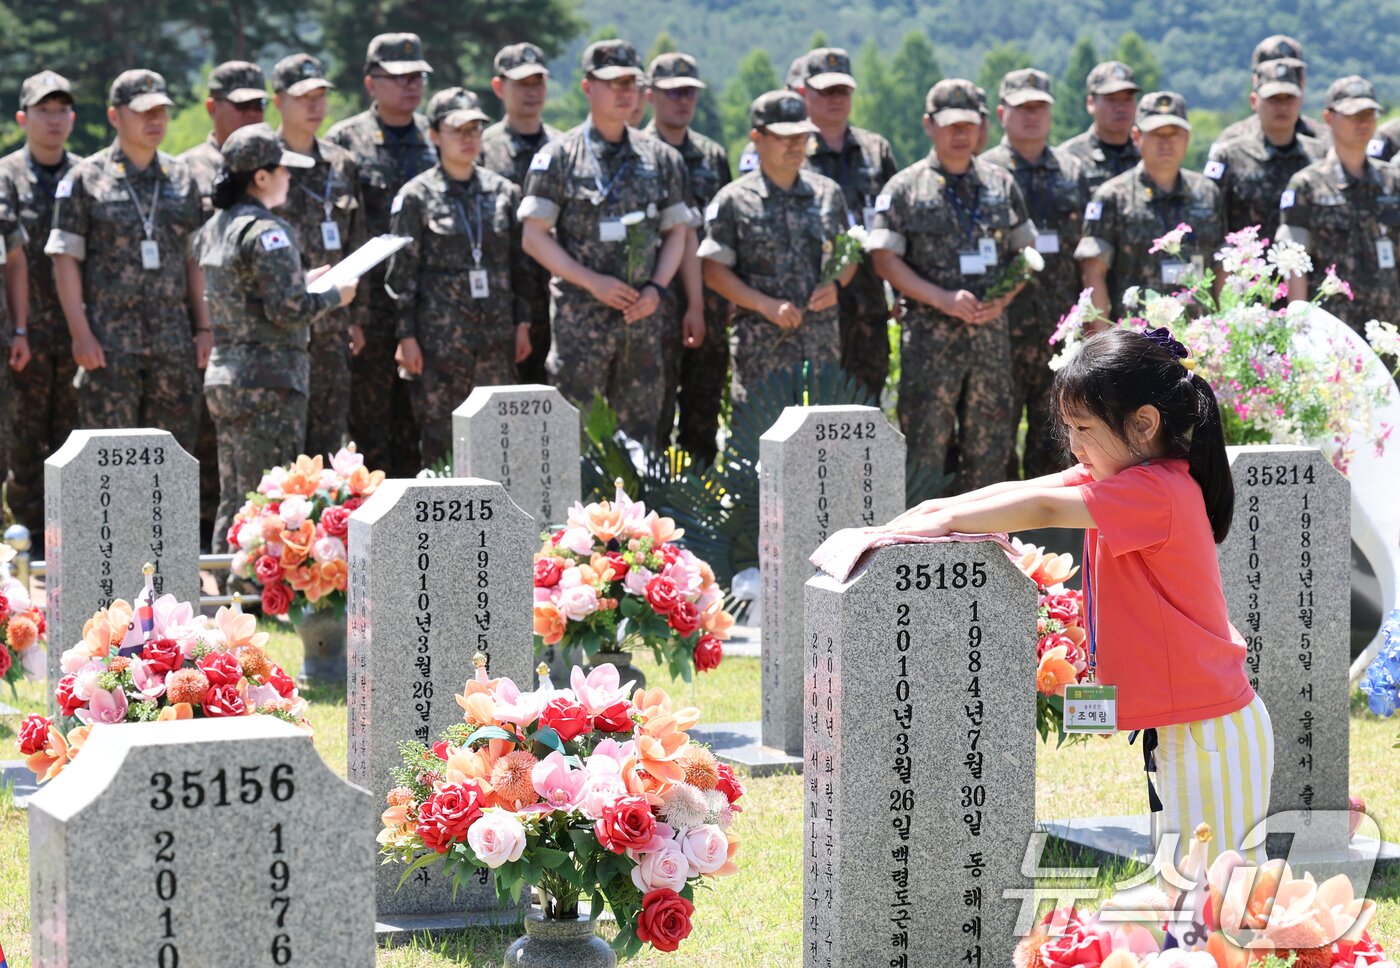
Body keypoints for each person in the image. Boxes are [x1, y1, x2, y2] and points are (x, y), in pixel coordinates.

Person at [883, 326, 1272, 865]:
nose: (1074, 445)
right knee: (1186, 899)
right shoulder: (1128, 474)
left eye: (1083, 428)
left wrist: (943, 518)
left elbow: (1042, 510)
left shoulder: (1153, 490)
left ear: (1143, 424)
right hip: (1193, 725)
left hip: (1210, 732)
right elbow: (1027, 491)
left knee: (1212, 905)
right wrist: (929, 513)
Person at [519, 39, 690, 445]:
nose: (624, 92)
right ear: (587, 88)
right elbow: (533, 237)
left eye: (631, 82)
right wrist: (591, 281)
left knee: (643, 443)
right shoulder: (559, 156)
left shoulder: (661, 158)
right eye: (613, 82)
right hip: (582, 327)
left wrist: (657, 288)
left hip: (642, 325)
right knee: (576, 443)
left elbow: (677, 234)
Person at [867, 79, 1036, 492]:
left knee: (991, 454)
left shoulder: (1001, 184)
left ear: (982, 126)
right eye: (950, 125)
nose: (960, 134)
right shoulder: (904, 188)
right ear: (929, 125)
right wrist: (941, 298)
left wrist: (1001, 299)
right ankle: (917, 551)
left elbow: (1027, 252)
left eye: (969, 124)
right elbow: (884, 258)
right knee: (924, 452)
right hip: (930, 346)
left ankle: (987, 551)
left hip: (990, 345)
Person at [194, 124, 356, 551]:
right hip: (269, 381)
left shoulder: (216, 226)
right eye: (283, 170)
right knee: (268, 493)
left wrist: (300, 281)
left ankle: (232, 576)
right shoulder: (269, 230)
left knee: (235, 491)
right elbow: (287, 310)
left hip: (227, 377)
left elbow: (245, 293)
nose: (291, 177)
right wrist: (335, 294)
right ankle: (252, 589)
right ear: (260, 177)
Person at [47, 69, 208, 450]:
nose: (155, 120)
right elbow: (64, 258)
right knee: (109, 457)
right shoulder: (85, 178)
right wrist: (80, 333)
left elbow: (194, 258)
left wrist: (205, 328)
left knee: (173, 456)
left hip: (173, 344)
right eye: (143, 111)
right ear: (115, 116)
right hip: (109, 345)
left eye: (160, 111)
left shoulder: (182, 177)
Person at [387, 88, 530, 468]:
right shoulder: (416, 196)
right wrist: (406, 336)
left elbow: (521, 267)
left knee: (498, 441)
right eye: (458, 130)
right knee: (441, 441)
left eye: (475, 129)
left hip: (496, 340)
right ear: (434, 135)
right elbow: (402, 274)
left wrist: (523, 323)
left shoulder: (503, 192)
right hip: (439, 346)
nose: (469, 139)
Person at [326, 32, 436, 477]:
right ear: (371, 83)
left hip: (428, 307)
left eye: (417, 77)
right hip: (368, 308)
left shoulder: (435, 138)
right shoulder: (345, 141)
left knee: (418, 426)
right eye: (399, 77)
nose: (411, 85)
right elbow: (336, 230)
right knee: (367, 429)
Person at [698, 90, 851, 398]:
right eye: (784, 137)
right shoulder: (733, 200)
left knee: (821, 442)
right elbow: (713, 271)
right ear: (757, 137)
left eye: (802, 136)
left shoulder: (828, 194)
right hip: (762, 351)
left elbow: (849, 254)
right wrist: (763, 304)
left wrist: (836, 285)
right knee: (760, 443)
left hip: (820, 348)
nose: (796, 145)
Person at [982, 68, 1089, 479]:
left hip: (1060, 329)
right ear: (1001, 112)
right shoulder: (985, 172)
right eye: (1022, 107)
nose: (1031, 116)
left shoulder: (1072, 171)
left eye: (1039, 107)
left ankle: (1054, 540)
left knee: (1061, 442)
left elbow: (1087, 248)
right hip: (1001, 331)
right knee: (995, 442)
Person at [272, 52, 367, 460]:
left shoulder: (341, 163)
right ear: (277, 101)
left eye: (320, 95)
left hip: (332, 327)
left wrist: (357, 318)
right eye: (303, 96)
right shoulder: (263, 161)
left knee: (328, 447)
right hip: (280, 329)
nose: (315, 105)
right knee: (280, 451)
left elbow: (356, 242)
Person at [0, 70, 80, 549]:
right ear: (23, 118)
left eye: (61, 110)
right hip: (23, 340)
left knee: (73, 446)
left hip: (77, 337)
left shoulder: (86, 174)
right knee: (25, 450)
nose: (54, 120)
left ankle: (72, 546)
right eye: (44, 111)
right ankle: (25, 552)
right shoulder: (5, 176)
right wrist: (19, 330)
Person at [798, 47, 899, 398]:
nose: (835, 99)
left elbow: (896, 228)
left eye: (842, 91)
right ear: (802, 93)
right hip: (808, 306)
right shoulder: (789, 149)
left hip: (867, 303)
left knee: (865, 407)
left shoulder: (875, 150)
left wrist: (899, 293)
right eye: (825, 91)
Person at [644, 52, 730, 461]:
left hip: (709, 299)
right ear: (650, 96)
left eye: (690, 92)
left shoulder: (712, 156)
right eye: (673, 92)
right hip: (656, 298)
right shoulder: (640, 155)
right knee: (654, 405)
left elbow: (727, 229)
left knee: (704, 404)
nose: (683, 100)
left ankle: (700, 505)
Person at [1075, 92, 1224, 315]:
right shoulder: (1113, 196)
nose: (1166, 143)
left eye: (1174, 134)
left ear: (1187, 137)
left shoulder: (1207, 193)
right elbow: (1094, 272)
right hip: (1136, 337)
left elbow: (1222, 266)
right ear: (1136, 136)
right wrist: (1102, 344)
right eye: (1156, 134)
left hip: (1198, 335)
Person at [1277, 76, 1400, 338]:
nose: (1364, 122)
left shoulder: (1393, 181)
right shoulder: (1307, 184)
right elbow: (1295, 261)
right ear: (1329, 118)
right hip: (1332, 334)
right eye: (1353, 115)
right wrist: (1298, 329)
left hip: (1389, 333)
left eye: (1369, 113)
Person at [481, 43, 562, 384]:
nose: (532, 93)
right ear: (499, 87)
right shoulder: (480, 149)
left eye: (538, 83)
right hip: (503, 301)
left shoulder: (564, 148)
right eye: (522, 84)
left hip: (558, 296)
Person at [1205, 61, 1322, 242]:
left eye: (1288, 98)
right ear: (1254, 101)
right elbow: (1208, 215)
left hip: (1304, 268)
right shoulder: (1230, 157)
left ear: (1300, 101)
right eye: (1273, 98)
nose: (1282, 106)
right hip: (1247, 267)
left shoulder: (1320, 157)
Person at [179, 60, 268, 213]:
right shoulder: (185, 170)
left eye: (259, 104)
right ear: (212, 107)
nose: (253, 112)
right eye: (242, 105)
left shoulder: (277, 166)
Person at [1216, 35, 1327, 146]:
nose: (1281, 78)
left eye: (1293, 72)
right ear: (1255, 80)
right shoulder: (1233, 140)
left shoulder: (1322, 139)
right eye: (1269, 72)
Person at [1061, 61, 1142, 194]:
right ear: (1091, 103)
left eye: (1127, 99)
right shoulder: (1068, 160)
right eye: (1111, 99)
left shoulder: (1147, 158)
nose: (1121, 108)